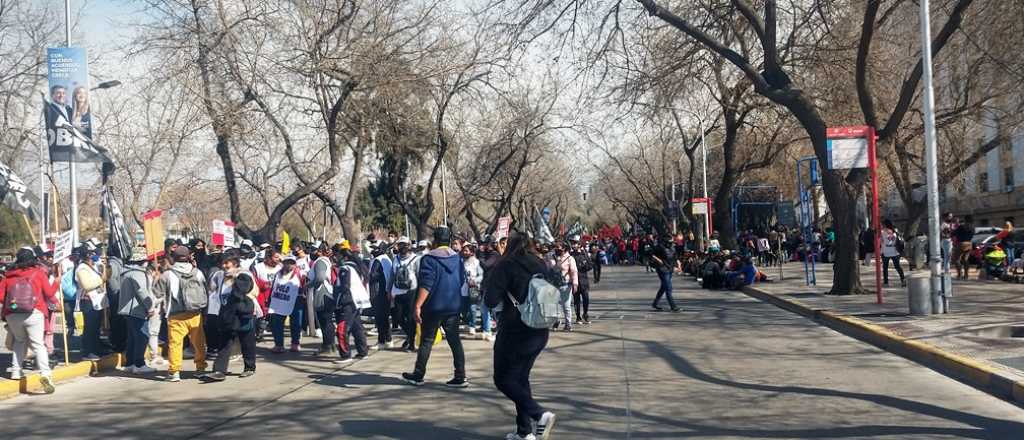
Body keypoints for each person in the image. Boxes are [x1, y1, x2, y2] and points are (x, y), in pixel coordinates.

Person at [484, 232, 558, 440]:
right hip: (540, 329)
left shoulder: (506, 265)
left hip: (515, 330)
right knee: (520, 379)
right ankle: (524, 432)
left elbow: (490, 300)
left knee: (503, 379)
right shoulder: (540, 263)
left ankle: (539, 414)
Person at [402, 226, 468, 387]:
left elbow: (427, 285)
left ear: (435, 240)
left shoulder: (429, 259)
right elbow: (461, 281)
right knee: (455, 341)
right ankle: (460, 376)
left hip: (433, 307)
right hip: (453, 306)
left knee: (427, 341)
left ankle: (418, 375)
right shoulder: (457, 258)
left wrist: (417, 306)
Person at [1, 248, 60, 392]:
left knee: (19, 341)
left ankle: (16, 371)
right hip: (34, 312)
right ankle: (45, 374)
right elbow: (49, 293)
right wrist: (57, 282)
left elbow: (1, 297)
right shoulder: (39, 273)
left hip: (13, 314)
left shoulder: (8, 276)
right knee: (38, 344)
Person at [152, 246, 208, 382]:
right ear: (188, 257)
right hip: (195, 313)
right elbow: (205, 289)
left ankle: (174, 372)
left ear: (174, 257)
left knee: (175, 344)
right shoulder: (197, 272)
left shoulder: (167, 275)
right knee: (198, 342)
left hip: (176, 314)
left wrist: (155, 277)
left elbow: (156, 293)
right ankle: (200, 368)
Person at [205, 254, 258, 381]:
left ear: (235, 263)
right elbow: (212, 289)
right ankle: (219, 370)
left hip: (243, 314)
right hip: (226, 314)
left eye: (227, 263)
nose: (224, 266)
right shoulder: (219, 275)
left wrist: (236, 278)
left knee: (247, 342)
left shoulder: (244, 274)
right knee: (224, 343)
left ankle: (249, 367)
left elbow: (251, 290)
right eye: (223, 263)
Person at [118, 246, 157, 374]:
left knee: (132, 338)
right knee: (143, 336)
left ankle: (130, 363)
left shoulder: (125, 271)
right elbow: (142, 292)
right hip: (136, 310)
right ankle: (139, 364)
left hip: (127, 310)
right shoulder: (138, 273)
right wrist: (150, 307)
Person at [333, 246, 371, 363]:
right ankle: (362, 351)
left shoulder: (345, 269)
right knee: (357, 328)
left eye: (338, 256)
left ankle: (345, 355)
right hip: (357, 301)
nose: (336, 258)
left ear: (344, 257)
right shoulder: (356, 267)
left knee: (342, 329)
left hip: (348, 302)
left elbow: (345, 287)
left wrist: (338, 300)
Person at [75, 247, 107, 361]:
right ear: (87, 256)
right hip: (88, 302)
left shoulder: (92, 267)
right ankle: (88, 352)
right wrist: (101, 280)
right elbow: (87, 285)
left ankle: (96, 349)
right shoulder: (81, 269)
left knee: (95, 327)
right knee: (90, 328)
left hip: (96, 301)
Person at [268, 255, 303, 353]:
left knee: (296, 324)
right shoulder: (278, 273)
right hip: (279, 302)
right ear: (283, 263)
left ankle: (295, 343)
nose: (289, 265)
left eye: (292, 263)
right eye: (287, 262)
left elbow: (305, 286)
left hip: (296, 301)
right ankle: (279, 345)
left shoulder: (300, 273)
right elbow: (273, 287)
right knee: (277, 324)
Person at [391, 237, 419, 351]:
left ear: (409, 246)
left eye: (405, 245)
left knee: (411, 318)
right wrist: (389, 291)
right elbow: (391, 276)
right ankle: (410, 336)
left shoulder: (416, 259)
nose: (403, 247)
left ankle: (411, 343)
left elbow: (419, 275)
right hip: (398, 292)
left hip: (412, 291)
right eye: (400, 245)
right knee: (398, 318)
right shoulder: (395, 259)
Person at [369, 243, 394, 349]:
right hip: (386, 291)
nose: (372, 251)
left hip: (378, 292)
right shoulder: (387, 259)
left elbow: (372, 275)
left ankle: (382, 341)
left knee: (380, 318)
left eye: (375, 249)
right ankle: (388, 339)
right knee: (384, 318)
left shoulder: (378, 260)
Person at [550, 242, 577, 332]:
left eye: (559, 247)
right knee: (554, 305)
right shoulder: (552, 257)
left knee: (566, 306)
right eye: (556, 247)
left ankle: (568, 324)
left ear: (564, 249)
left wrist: (575, 284)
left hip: (566, 285)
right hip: (554, 285)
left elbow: (574, 272)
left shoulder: (570, 258)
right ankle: (557, 321)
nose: (557, 249)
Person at [650, 236, 681, 312]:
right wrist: (658, 260)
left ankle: (655, 303)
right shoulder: (660, 247)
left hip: (670, 269)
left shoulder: (673, 248)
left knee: (663, 287)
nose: (671, 244)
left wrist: (679, 265)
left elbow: (676, 257)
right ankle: (673, 306)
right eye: (670, 243)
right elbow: (652, 254)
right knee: (668, 288)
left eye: (672, 243)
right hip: (662, 269)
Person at [461, 243, 484, 337]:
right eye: (464, 251)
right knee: (463, 308)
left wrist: (475, 281)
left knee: (472, 308)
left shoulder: (476, 262)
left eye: (466, 251)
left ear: (471, 252)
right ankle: (467, 322)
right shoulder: (461, 262)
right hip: (462, 288)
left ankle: (472, 326)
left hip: (473, 288)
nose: (464, 252)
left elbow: (481, 275)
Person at [570, 240, 592, 325]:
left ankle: (585, 314)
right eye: (573, 244)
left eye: (575, 244)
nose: (573, 245)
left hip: (584, 280)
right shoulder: (571, 255)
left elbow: (590, 265)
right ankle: (578, 317)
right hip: (575, 280)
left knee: (586, 298)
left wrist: (584, 265)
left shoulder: (584, 254)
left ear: (579, 245)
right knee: (576, 300)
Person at [881, 219, 906, 287]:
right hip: (895, 251)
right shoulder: (895, 230)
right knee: (897, 266)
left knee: (885, 268)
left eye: (882, 224)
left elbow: (880, 240)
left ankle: (886, 283)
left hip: (886, 251)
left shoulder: (882, 232)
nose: (881, 225)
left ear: (885, 224)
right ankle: (903, 280)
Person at [953, 215, 975, 280]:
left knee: (956, 259)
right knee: (965, 260)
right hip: (969, 244)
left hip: (961, 244)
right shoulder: (972, 227)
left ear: (965, 219)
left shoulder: (961, 226)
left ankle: (959, 274)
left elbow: (954, 233)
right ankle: (966, 275)